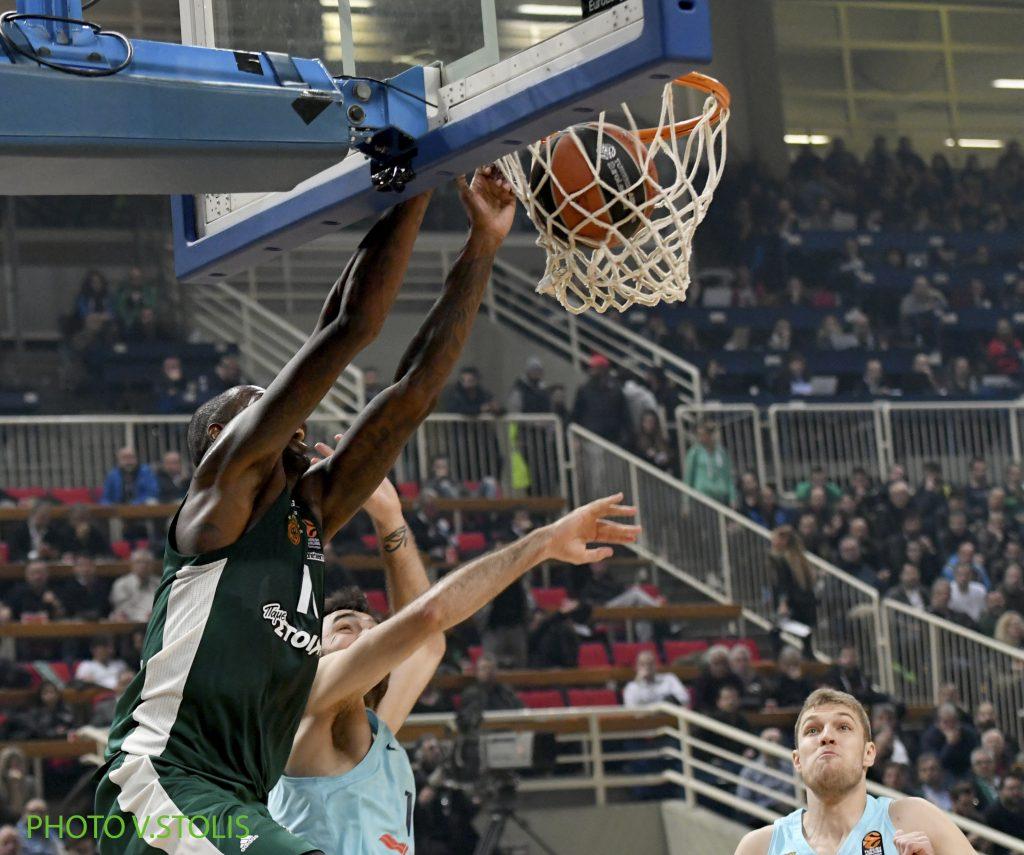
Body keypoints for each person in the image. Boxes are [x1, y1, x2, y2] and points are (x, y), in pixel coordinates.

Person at [94, 168, 518, 855]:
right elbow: (346, 328)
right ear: (217, 443)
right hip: (159, 780)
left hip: (237, 799)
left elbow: (410, 395)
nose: (286, 416)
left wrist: (482, 246)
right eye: (255, 405)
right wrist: (417, 182)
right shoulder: (216, 508)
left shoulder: (310, 514)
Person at [268, 492, 636, 854]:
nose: (369, 635)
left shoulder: (370, 724)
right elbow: (428, 616)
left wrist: (390, 519)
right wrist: (543, 542)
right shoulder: (311, 702)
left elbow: (426, 644)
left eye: (373, 627)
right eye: (346, 627)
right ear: (310, 647)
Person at [733, 688, 976, 855]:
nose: (827, 736)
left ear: (869, 753)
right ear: (797, 760)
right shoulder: (759, 847)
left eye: (843, 726)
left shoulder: (915, 819)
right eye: (812, 730)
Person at [735, 728, 795, 815]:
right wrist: (772, 805)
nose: (775, 744)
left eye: (778, 741)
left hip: (790, 816)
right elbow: (742, 803)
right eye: (769, 740)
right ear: (760, 744)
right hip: (761, 818)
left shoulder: (790, 768)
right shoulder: (750, 771)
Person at [683, 420, 737, 507]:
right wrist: (686, 502)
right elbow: (688, 477)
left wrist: (733, 498)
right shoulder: (695, 452)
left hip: (721, 498)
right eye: (699, 435)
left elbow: (729, 477)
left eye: (704, 434)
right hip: (701, 498)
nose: (701, 437)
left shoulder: (722, 453)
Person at [622, 649, 690, 707]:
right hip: (645, 720)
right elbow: (631, 708)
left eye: (650, 664)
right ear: (636, 667)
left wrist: (667, 701)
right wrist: (639, 683)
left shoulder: (669, 679)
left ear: (656, 665)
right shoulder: (631, 687)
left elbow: (684, 699)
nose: (647, 667)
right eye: (642, 664)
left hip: (669, 718)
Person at [107, 548, 159, 623]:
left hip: (156, 623)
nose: (143, 565)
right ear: (131, 564)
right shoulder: (121, 584)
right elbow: (122, 609)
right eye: (139, 562)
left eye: (147, 562)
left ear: (152, 565)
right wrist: (143, 617)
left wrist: (154, 614)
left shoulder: (160, 583)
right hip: (130, 624)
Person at [984, 773, 1024, 855]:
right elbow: (988, 845)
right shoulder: (992, 813)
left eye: (1018, 788)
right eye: (1011, 789)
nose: (1016, 792)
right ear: (1000, 791)